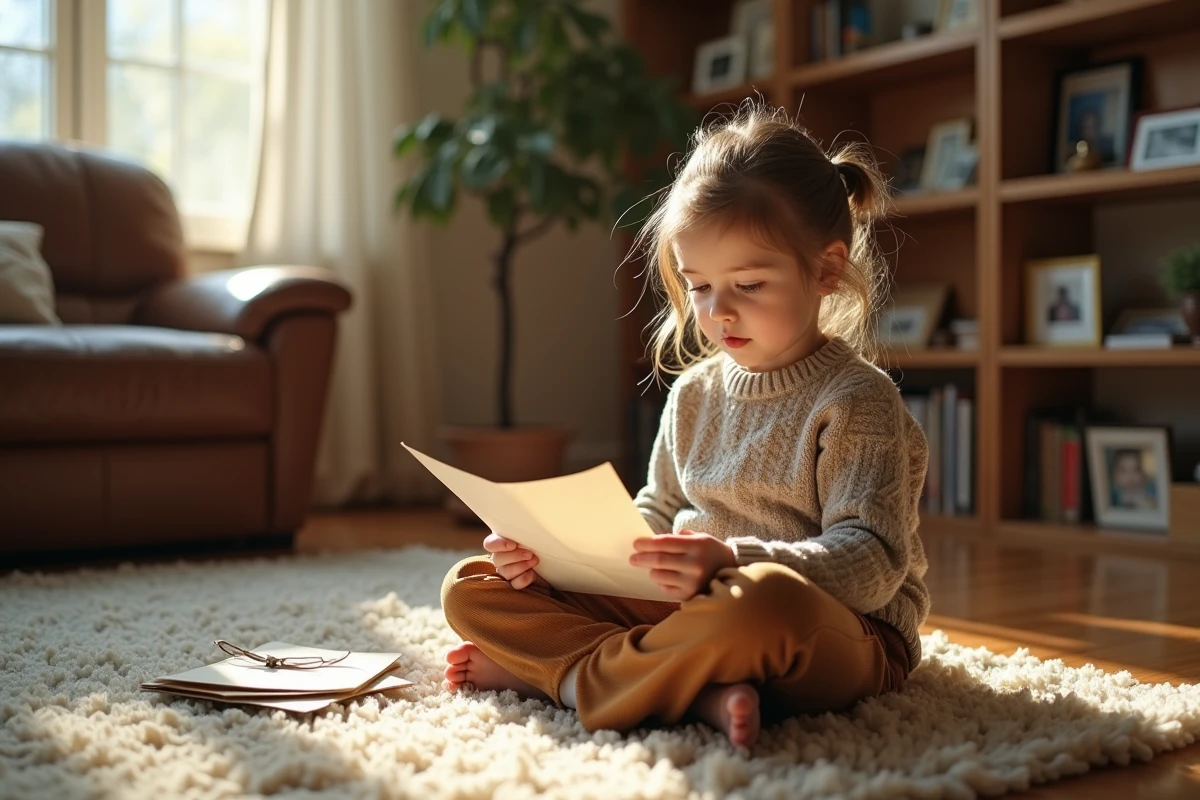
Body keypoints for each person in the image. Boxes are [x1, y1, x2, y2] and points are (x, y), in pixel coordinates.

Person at [439, 102, 930, 749]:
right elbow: (657, 512)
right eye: (698, 286)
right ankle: (691, 692)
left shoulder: (856, 399)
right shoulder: (695, 393)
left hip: (837, 629)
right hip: (691, 614)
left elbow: (873, 562)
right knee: (470, 586)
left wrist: (732, 560)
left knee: (761, 605)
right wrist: (554, 555)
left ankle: (566, 681)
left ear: (825, 270)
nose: (717, 310)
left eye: (748, 284)